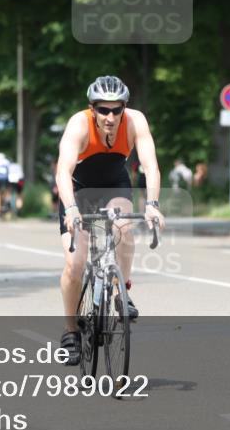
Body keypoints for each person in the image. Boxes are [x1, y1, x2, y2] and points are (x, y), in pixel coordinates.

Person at [55, 75, 165, 365]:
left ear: (124, 108)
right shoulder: (78, 124)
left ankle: (122, 291)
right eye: (104, 109)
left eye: (117, 110)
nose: (110, 116)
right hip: (78, 192)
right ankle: (70, 332)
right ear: (92, 109)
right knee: (74, 265)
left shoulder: (135, 121)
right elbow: (62, 172)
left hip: (114, 184)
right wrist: (70, 209)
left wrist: (152, 204)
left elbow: (151, 166)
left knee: (124, 229)